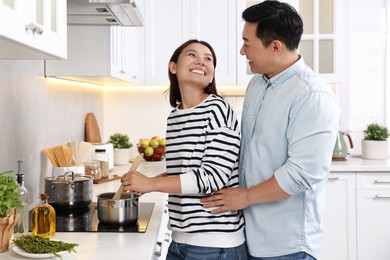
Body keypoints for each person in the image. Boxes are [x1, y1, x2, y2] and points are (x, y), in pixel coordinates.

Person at [201, 1, 341, 260]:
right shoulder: (257, 84)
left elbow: (301, 174)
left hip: (286, 245)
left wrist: (244, 197)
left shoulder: (312, 96)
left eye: (247, 43)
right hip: (250, 236)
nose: (242, 51)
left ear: (275, 46)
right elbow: (248, 149)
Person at [121, 39, 246, 260]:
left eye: (208, 59)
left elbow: (213, 177)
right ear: (173, 67)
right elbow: (187, 171)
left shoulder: (218, 109)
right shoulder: (175, 116)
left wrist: (152, 183)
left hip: (216, 246)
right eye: (192, 55)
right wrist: (149, 184)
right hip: (180, 241)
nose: (201, 61)